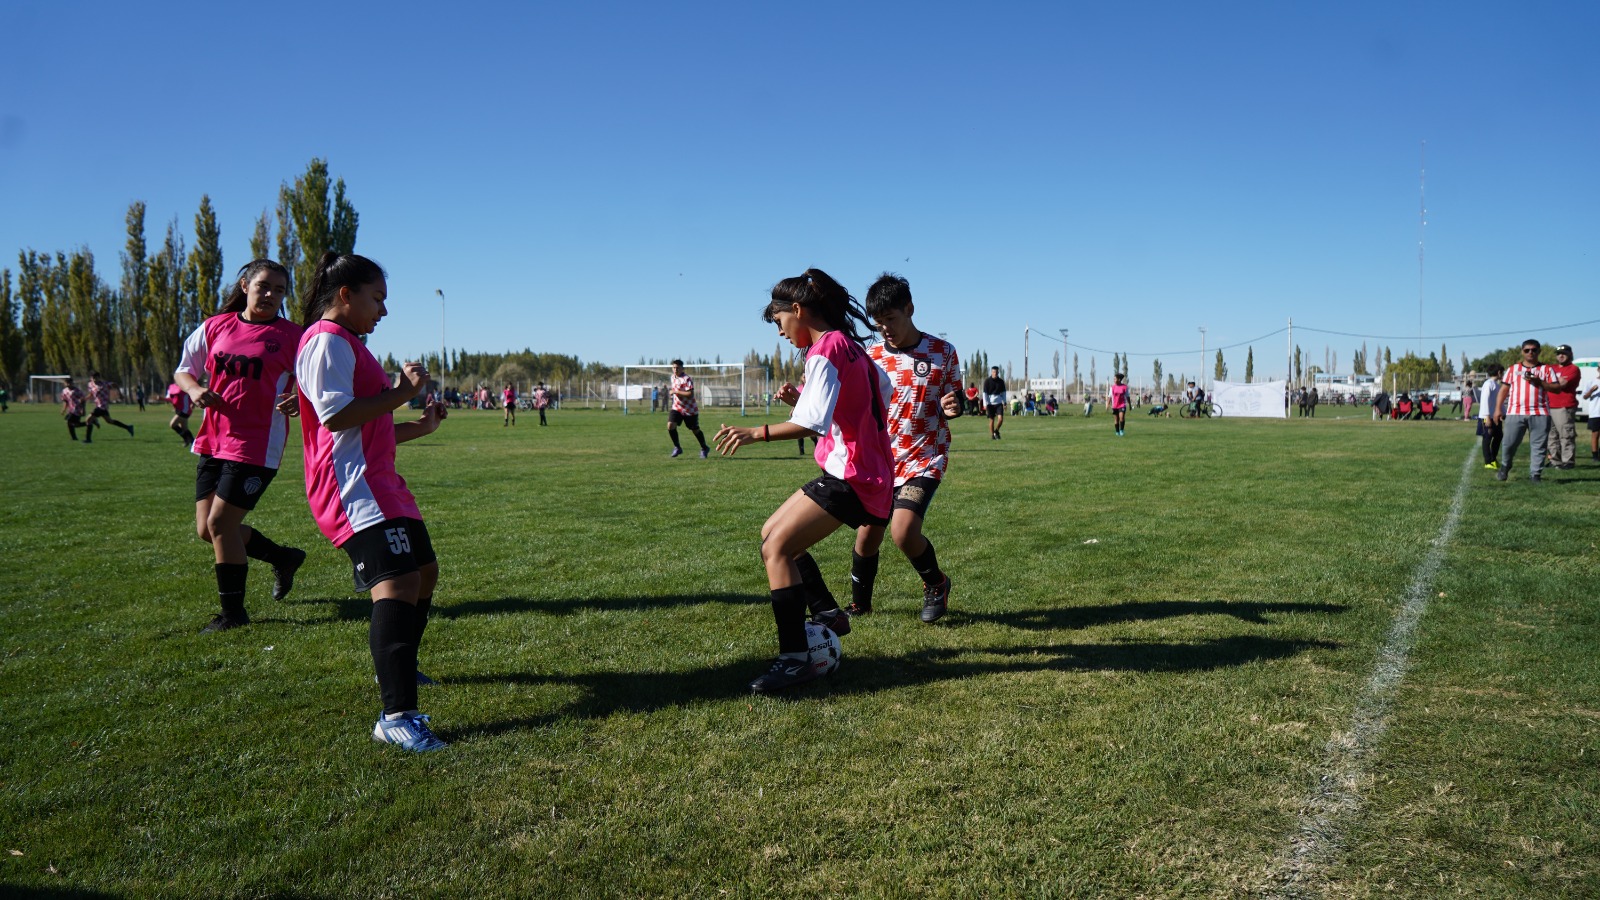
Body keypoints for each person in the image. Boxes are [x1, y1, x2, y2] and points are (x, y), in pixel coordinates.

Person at [296, 251, 450, 753]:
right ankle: (397, 714)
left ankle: (403, 667)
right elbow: (337, 418)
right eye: (377, 299)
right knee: (398, 581)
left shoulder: (349, 345)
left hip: (382, 482)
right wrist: (402, 391)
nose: (383, 311)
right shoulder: (326, 341)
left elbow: (370, 427)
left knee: (423, 572)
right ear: (346, 295)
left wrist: (420, 425)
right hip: (351, 487)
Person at [713, 268, 892, 693]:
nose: (780, 333)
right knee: (770, 535)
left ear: (797, 310)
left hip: (853, 476)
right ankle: (829, 614)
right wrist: (815, 401)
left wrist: (755, 432)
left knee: (777, 548)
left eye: (779, 323)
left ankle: (794, 660)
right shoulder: (852, 348)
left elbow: (812, 421)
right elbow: (879, 394)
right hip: (863, 472)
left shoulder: (824, 349)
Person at [173, 259, 306, 633]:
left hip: (257, 445)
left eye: (279, 290)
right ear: (245, 284)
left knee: (220, 524)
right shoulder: (216, 326)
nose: (271, 295)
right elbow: (184, 369)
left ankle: (233, 614)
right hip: (214, 440)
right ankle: (283, 557)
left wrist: (300, 396)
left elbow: (315, 378)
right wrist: (196, 389)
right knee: (207, 530)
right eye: (264, 286)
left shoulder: (294, 336)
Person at [844, 274, 961, 623]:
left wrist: (952, 406)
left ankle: (936, 584)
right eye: (879, 324)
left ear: (910, 309)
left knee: (903, 530)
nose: (885, 330)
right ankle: (860, 605)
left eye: (891, 320)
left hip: (925, 458)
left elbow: (951, 401)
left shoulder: (942, 353)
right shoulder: (871, 355)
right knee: (867, 537)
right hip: (881, 461)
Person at [1494, 339, 1554, 483]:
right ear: (1522, 352)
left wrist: (1539, 382)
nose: (1530, 353)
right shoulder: (1513, 369)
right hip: (1515, 412)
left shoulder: (1546, 369)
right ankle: (1505, 466)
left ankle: (1535, 475)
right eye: (1527, 350)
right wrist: (1497, 409)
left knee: (1539, 446)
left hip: (1540, 413)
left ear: (1539, 352)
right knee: (1509, 443)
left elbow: (1556, 388)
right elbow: (1504, 389)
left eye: (1534, 350)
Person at [1543, 344, 1580, 469]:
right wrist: (1551, 382)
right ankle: (1555, 461)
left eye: (1564, 353)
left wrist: (1547, 383)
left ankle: (1568, 461)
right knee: (1551, 436)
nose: (1561, 355)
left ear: (1570, 354)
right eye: (1558, 353)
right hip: (1549, 406)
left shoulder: (1573, 369)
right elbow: (1545, 380)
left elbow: (1561, 385)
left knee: (1566, 435)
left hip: (1564, 406)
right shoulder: (1551, 368)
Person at [666, 359, 711, 459]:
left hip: (690, 410)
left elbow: (690, 394)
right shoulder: (672, 377)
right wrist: (673, 394)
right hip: (677, 407)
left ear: (682, 368)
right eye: (674, 367)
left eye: (677, 368)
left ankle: (704, 448)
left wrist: (675, 392)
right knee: (670, 425)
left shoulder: (687, 379)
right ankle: (677, 447)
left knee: (695, 430)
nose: (675, 369)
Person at [85, 372, 135, 440]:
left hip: (102, 406)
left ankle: (88, 439)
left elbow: (115, 384)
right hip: (98, 406)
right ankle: (128, 427)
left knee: (88, 420)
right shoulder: (90, 384)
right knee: (109, 421)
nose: (94, 379)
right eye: (93, 378)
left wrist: (119, 394)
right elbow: (91, 394)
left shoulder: (105, 384)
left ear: (99, 377)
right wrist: (84, 399)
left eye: (96, 377)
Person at [1478, 365, 1503, 470]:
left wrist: (1503, 413)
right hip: (1487, 416)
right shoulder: (1488, 384)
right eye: (1502, 372)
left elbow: (1498, 402)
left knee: (1499, 436)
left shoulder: (1496, 385)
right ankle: (1488, 461)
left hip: (1495, 417)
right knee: (1487, 438)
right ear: (1498, 372)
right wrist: (1487, 416)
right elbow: (1484, 400)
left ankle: (1493, 459)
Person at [60, 377, 88, 441]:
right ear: (65, 383)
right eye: (67, 383)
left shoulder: (77, 391)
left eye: (70, 383)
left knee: (69, 421)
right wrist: (63, 409)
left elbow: (83, 400)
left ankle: (74, 438)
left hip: (77, 409)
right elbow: (65, 401)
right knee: (75, 424)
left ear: (72, 383)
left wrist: (83, 409)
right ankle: (90, 422)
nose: (69, 384)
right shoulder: (64, 391)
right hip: (70, 410)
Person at [167, 382, 195, 447]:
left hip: (185, 410)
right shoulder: (172, 386)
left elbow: (192, 393)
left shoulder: (184, 386)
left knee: (172, 424)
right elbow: (171, 399)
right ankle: (192, 442)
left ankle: (187, 439)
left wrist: (193, 402)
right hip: (179, 410)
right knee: (184, 428)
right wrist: (161, 399)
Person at [982, 366, 1006, 439]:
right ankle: (993, 435)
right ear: (991, 372)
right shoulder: (987, 381)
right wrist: (985, 404)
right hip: (990, 403)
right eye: (993, 372)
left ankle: (996, 431)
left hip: (998, 402)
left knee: (1000, 419)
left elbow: (1004, 393)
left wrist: (1004, 402)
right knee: (992, 419)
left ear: (998, 372)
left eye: (996, 372)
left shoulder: (1001, 382)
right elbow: (984, 394)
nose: (995, 373)